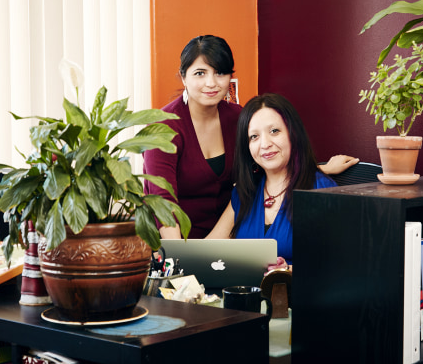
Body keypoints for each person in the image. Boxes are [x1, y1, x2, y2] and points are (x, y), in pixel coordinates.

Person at [143, 35, 357, 239]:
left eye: (219, 72)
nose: (211, 83)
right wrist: (178, 259)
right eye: (200, 73)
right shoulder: (162, 128)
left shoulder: (238, 117)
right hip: (174, 240)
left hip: (231, 234)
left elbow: (263, 162)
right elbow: (163, 203)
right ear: (183, 76)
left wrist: (319, 171)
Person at [206, 93, 337, 267]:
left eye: (274, 131)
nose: (264, 144)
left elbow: (336, 264)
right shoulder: (244, 192)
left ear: (293, 133)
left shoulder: (322, 190)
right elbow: (206, 251)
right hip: (245, 292)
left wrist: (288, 270)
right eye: (254, 137)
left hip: (299, 292)